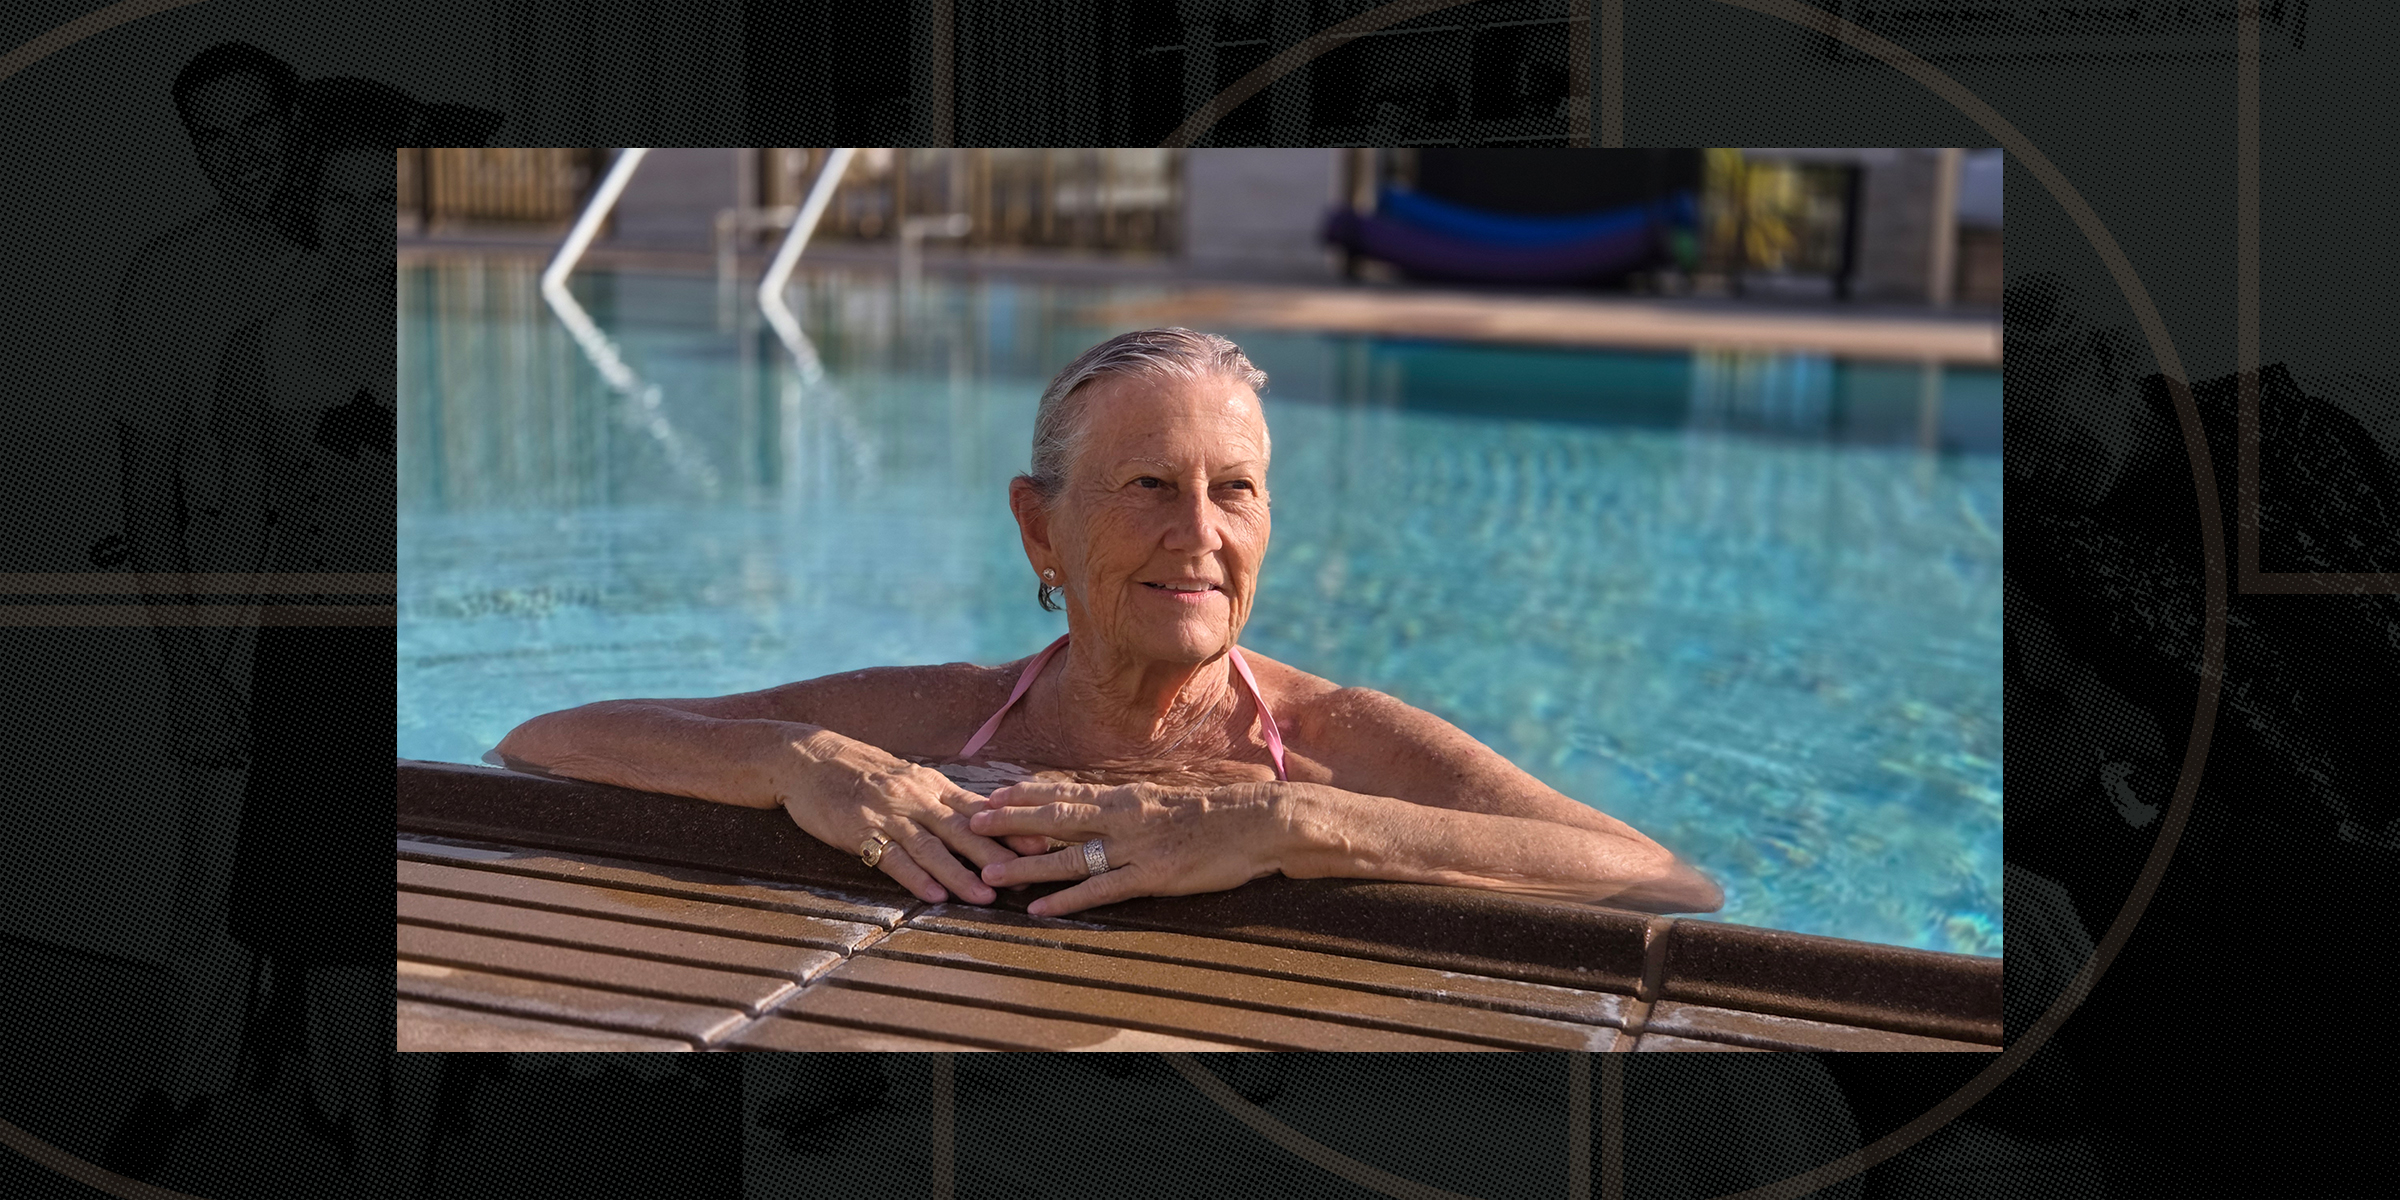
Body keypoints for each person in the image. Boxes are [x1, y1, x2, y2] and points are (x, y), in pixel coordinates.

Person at [495, 327, 1722, 919]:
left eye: (1233, 491)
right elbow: (543, 741)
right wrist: (791, 760)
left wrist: (1287, 821)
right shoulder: (944, 720)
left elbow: (1667, 884)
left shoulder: (1341, 746)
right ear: (1040, 532)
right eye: (1148, 488)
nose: (1200, 535)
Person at [98, 40, 323, 1182]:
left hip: (352, 580)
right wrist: (188, 672)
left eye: (256, 126)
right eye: (211, 138)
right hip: (235, 582)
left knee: (356, 860)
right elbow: (143, 496)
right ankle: (189, 1078)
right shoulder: (164, 280)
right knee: (212, 873)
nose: (239, 156)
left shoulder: (359, 244)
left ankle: (346, 1084)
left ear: (295, 118)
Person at [207, 73, 408, 1183]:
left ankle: (401, 1140)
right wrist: (199, 669)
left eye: (387, 199)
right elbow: (243, 532)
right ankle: (372, 1152)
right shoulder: (258, 352)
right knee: (335, 924)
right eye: (340, 201)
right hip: (318, 663)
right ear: (305, 206)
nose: (364, 225)